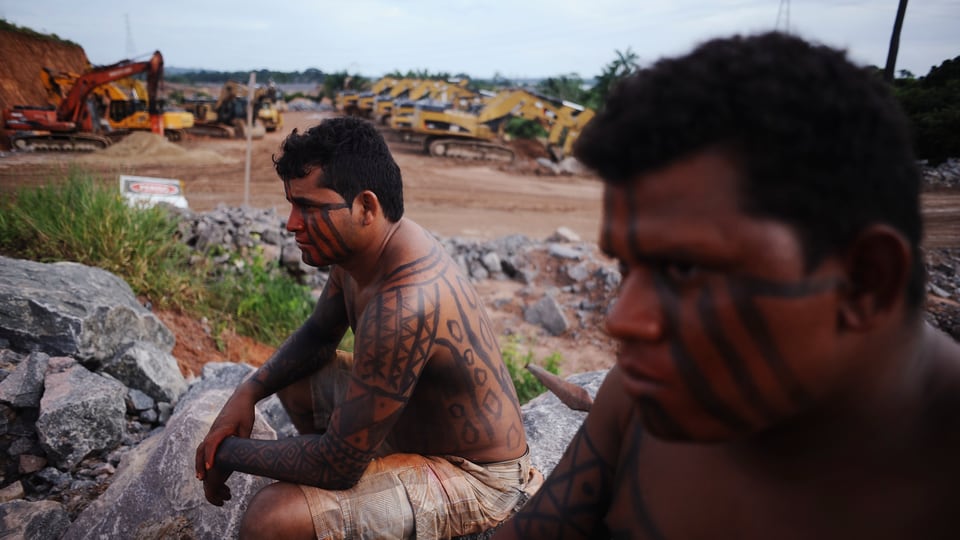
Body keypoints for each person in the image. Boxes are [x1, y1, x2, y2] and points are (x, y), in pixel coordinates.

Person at [493, 31, 960, 539]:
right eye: (628, 268)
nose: (621, 320)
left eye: (686, 270)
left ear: (866, 281)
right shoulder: (639, 400)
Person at [195, 116, 541, 539]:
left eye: (308, 207)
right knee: (296, 376)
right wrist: (248, 392)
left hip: (478, 478)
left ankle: (350, 507)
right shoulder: (364, 252)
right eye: (291, 204)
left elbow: (336, 466)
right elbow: (320, 336)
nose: (291, 223)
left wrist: (225, 453)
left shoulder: (405, 304)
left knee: (272, 518)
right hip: (410, 426)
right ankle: (361, 494)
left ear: (366, 207)